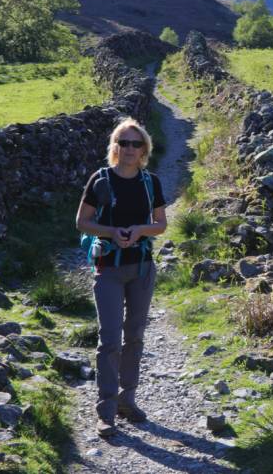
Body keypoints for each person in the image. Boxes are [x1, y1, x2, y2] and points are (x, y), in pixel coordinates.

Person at [75, 118, 167, 438]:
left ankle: (128, 400)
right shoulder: (100, 180)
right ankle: (106, 410)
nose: (129, 149)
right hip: (108, 269)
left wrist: (140, 230)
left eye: (135, 144)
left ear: (144, 149)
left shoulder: (150, 182)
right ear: (115, 146)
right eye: (123, 143)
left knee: (136, 337)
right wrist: (112, 233)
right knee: (110, 339)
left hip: (141, 268)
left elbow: (160, 224)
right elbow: (82, 222)